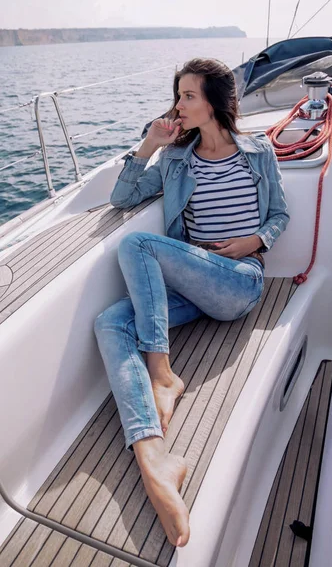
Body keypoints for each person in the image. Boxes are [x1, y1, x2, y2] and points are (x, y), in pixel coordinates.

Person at [94, 58, 289, 548]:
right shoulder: (178, 159)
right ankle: (155, 456)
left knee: (136, 246)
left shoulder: (257, 152)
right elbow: (123, 197)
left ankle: (162, 374)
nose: (177, 106)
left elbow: (281, 213)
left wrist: (256, 242)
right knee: (109, 323)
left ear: (216, 103)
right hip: (190, 287)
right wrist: (150, 146)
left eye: (188, 96)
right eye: (178, 95)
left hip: (239, 282)